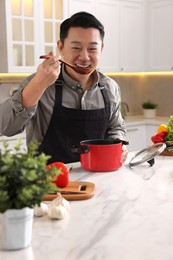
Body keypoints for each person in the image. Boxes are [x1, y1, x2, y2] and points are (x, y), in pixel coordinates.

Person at [0, 11, 128, 163]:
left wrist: (117, 142)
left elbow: (116, 126)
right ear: (61, 47)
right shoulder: (39, 82)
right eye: (76, 48)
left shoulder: (109, 87)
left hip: (97, 179)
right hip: (49, 182)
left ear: (102, 48)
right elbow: (5, 128)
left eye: (93, 49)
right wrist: (38, 84)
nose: (85, 57)